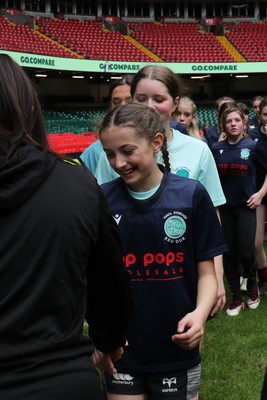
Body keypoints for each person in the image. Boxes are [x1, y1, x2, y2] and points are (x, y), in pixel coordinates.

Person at [0, 54, 134, 399]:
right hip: (61, 380)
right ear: (29, 110)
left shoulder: (74, 181)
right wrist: (110, 339)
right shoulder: (75, 183)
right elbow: (110, 284)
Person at [96, 102, 228, 400]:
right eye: (110, 154)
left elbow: (207, 272)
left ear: (156, 142)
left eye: (127, 151)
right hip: (122, 349)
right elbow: (97, 278)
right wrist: (101, 337)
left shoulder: (191, 194)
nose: (118, 162)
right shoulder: (101, 201)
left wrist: (199, 314)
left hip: (176, 346)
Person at [94, 65, 227, 317]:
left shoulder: (198, 150)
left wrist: (216, 274)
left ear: (175, 102)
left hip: (180, 271)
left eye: (159, 99)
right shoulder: (113, 155)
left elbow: (211, 217)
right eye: (141, 98)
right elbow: (103, 215)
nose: (149, 106)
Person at [211, 103, 267, 316]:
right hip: (224, 207)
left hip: (246, 206)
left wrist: (260, 194)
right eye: (228, 121)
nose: (233, 124)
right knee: (229, 253)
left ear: (243, 123)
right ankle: (236, 297)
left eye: (236, 120)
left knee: (245, 250)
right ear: (222, 125)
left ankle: (252, 286)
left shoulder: (253, 146)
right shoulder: (216, 149)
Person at [80, 74, 133, 174]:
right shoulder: (94, 151)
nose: (122, 106)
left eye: (130, 101)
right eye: (116, 102)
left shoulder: (155, 145)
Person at [251, 97, 267, 296]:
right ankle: (264, 279)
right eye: (265, 114)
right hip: (259, 194)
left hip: (263, 191)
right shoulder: (252, 135)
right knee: (256, 242)